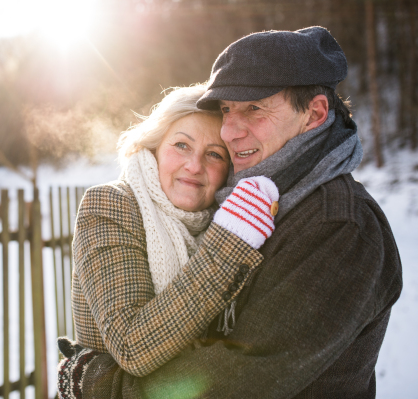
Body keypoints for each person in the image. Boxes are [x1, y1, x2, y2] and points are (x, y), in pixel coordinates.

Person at [59, 27, 403, 398]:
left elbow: (238, 378)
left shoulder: (338, 225)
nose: (231, 131)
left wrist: (97, 385)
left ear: (315, 113)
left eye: (254, 108)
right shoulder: (253, 204)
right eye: (226, 110)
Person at [57, 84, 281, 398]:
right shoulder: (110, 205)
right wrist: (229, 244)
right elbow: (132, 346)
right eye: (181, 145)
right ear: (155, 147)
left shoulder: (229, 218)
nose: (194, 166)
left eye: (214, 154)